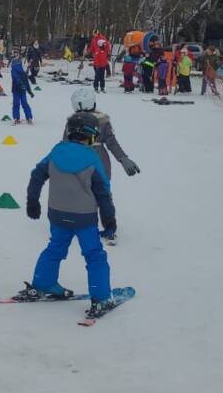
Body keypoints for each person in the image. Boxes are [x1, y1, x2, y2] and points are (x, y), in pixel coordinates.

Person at [25, 112, 118, 319]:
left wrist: (33, 201)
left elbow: (37, 175)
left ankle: (43, 283)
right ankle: (102, 297)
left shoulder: (56, 151)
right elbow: (103, 191)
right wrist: (109, 220)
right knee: (94, 255)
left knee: (55, 248)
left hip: (57, 215)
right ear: (92, 135)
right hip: (84, 218)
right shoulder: (92, 158)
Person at [65, 87, 139, 238]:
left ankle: (99, 225)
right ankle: (99, 225)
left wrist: (123, 158)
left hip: (82, 164)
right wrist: (123, 158)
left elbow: (65, 144)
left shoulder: (75, 122)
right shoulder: (102, 120)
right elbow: (111, 143)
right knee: (100, 195)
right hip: (99, 162)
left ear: (79, 105)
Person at [10, 57, 34, 124]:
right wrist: (22, 85)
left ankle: (28, 117)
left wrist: (30, 92)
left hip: (19, 91)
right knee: (19, 103)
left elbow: (26, 83)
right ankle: (17, 118)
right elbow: (16, 78)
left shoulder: (22, 72)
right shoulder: (14, 72)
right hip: (17, 91)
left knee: (21, 104)